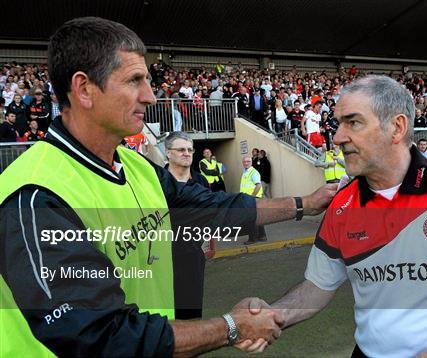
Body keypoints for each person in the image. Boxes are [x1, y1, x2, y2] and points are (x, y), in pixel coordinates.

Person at [0, 17, 337, 356]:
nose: (150, 96)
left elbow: (210, 207)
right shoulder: (35, 196)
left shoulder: (134, 165)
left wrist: (305, 203)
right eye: (134, 80)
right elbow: (100, 334)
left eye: (147, 79)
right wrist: (232, 327)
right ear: (84, 89)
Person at [242, 75, 427, 357]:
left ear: (396, 127)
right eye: (338, 124)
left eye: (353, 123)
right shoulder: (343, 205)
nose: (338, 137)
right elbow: (318, 286)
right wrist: (273, 315)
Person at [164, 132, 211, 321]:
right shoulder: (155, 181)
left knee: (192, 312)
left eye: (190, 149)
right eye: (181, 149)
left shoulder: (201, 181)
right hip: (163, 256)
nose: (187, 153)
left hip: (192, 255)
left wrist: (209, 243)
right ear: (168, 153)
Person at [239, 156, 267, 244]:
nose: (246, 163)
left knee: (251, 219)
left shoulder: (253, 172)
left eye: (248, 161)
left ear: (251, 162)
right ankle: (262, 236)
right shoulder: (245, 172)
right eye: (244, 162)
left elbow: (258, 185)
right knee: (257, 218)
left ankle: (252, 239)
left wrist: (252, 197)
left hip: (253, 199)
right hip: (249, 199)